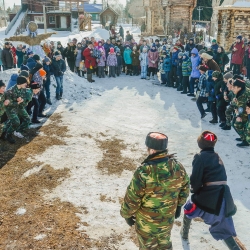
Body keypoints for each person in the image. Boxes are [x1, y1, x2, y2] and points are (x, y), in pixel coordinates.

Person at [120, 132, 189, 250]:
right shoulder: (177, 166)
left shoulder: (144, 171)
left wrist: (126, 215)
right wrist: (178, 206)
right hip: (167, 220)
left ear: (151, 150)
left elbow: (132, 198)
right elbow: (185, 187)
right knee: (165, 244)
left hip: (147, 224)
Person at [181, 131, 240, 250]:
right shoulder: (217, 156)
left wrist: (195, 191)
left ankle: (184, 233)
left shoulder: (199, 156)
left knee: (189, 208)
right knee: (223, 227)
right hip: (225, 198)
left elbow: (196, 179)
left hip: (210, 197)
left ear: (200, 143)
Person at [4, 76, 32, 143]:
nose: (26, 84)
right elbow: (8, 104)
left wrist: (22, 100)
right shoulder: (10, 91)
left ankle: (18, 131)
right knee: (16, 122)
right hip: (11, 109)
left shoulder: (23, 89)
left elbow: (25, 100)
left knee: (27, 119)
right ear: (20, 83)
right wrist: (18, 102)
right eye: (24, 83)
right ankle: (8, 135)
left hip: (19, 107)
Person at [231, 78, 250, 147]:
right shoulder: (240, 92)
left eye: (234, 87)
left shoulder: (243, 95)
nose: (232, 89)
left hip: (246, 112)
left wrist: (238, 116)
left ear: (239, 88)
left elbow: (241, 108)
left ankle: (245, 140)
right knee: (235, 122)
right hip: (246, 111)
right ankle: (244, 137)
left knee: (237, 124)